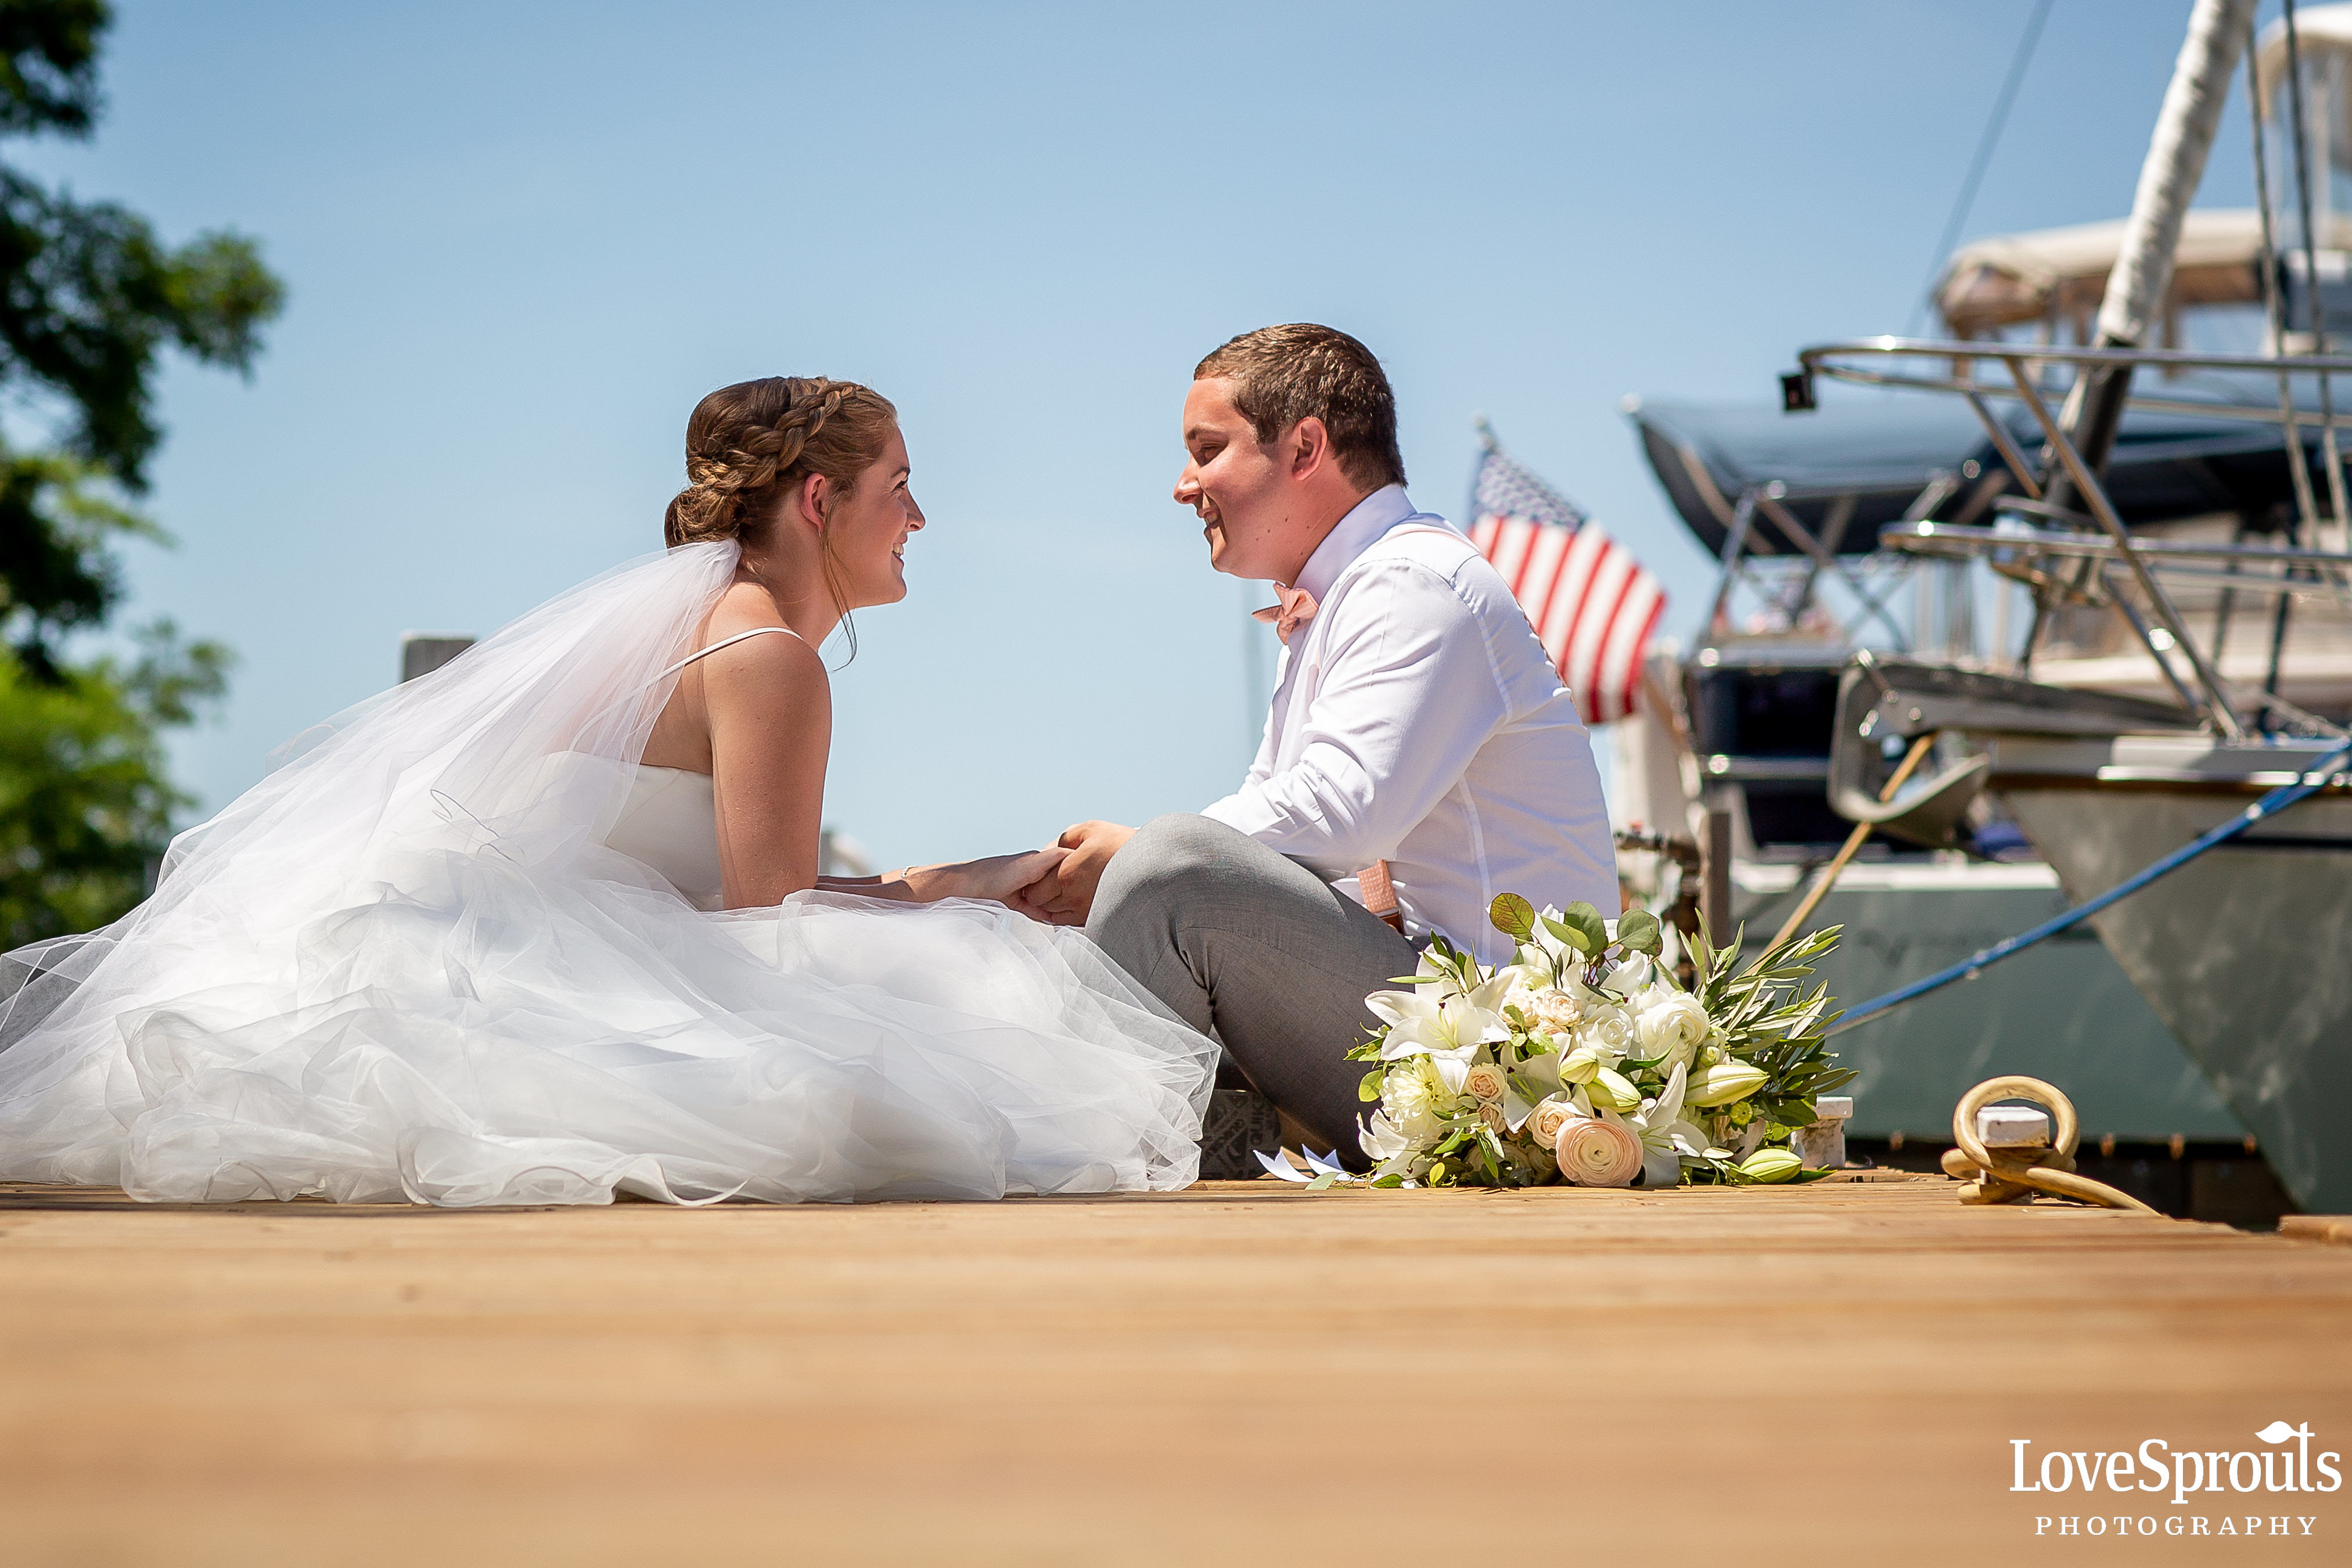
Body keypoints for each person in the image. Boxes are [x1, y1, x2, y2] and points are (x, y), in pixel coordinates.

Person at [0, 376, 1217, 1207]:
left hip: (466, 931)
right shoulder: (766, 657)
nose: (921, 515)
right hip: (548, 960)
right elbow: (769, 922)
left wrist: (961, 881)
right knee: (970, 1019)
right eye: (899, 483)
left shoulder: (691, 624)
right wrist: (967, 890)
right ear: (817, 501)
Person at [1020, 324, 1616, 1165]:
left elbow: (1341, 818)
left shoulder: (1412, 583)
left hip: (1507, 1057)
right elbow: (1294, 830)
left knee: (1173, 871)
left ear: (1304, 446)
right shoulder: (1348, 593)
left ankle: (1068, 1170)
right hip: (1438, 1021)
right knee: (1160, 883)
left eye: (1207, 449)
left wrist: (1132, 862)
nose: (1184, 486)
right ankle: (1144, 1157)